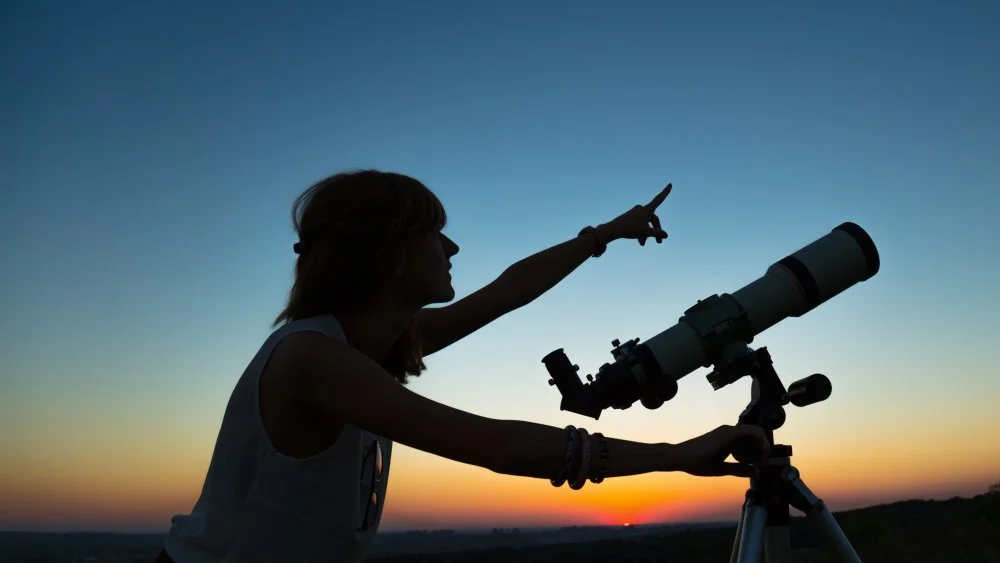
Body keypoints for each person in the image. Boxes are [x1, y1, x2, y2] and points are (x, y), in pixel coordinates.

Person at [158, 169, 769, 563]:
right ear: (387, 252)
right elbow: (499, 446)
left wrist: (603, 235)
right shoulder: (315, 360)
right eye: (436, 234)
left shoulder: (373, 344)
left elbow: (507, 291)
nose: (452, 249)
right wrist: (678, 455)